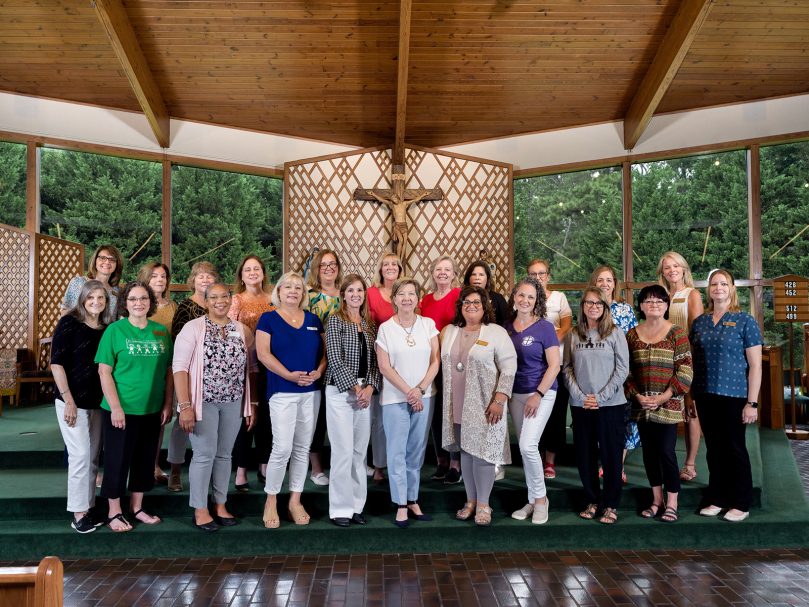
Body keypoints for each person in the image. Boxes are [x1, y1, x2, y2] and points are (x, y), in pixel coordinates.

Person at [173, 282, 258, 532]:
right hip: (203, 402)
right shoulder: (193, 328)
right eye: (214, 297)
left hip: (232, 401)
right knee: (204, 453)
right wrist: (185, 406)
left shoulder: (241, 330)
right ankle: (200, 508)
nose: (220, 301)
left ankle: (220, 504)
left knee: (225, 454)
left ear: (231, 299)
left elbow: (252, 368)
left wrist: (251, 403)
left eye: (224, 296)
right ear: (206, 301)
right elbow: (179, 368)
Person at [95, 281, 173, 532]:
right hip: (121, 410)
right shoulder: (115, 331)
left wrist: (167, 403)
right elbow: (104, 372)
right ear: (124, 304)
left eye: (143, 298)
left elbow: (169, 371)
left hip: (151, 409)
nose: (138, 303)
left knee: (144, 460)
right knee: (117, 461)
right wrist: (116, 407)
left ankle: (137, 508)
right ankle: (114, 512)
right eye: (133, 299)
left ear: (150, 302)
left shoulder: (161, 332)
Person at [690, 269, 762, 522]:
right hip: (705, 393)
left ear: (732, 288)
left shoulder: (745, 321)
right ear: (708, 289)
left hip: (734, 395)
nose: (718, 288)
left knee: (735, 449)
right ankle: (717, 498)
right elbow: (693, 362)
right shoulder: (699, 323)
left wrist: (752, 403)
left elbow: (755, 366)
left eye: (724, 283)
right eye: (714, 284)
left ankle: (741, 502)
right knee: (714, 450)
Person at [441, 286, 517, 526]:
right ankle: (470, 500)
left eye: (476, 302)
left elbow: (509, 367)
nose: (471, 305)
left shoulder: (495, 332)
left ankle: (484, 503)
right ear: (460, 306)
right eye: (466, 301)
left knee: (483, 454)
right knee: (466, 451)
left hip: (486, 404)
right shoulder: (450, 331)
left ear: (485, 307)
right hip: (457, 403)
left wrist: (499, 399)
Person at [257, 272, 326, 528]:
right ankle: (271, 499)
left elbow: (324, 355)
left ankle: (295, 500)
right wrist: (288, 375)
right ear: (279, 291)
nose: (293, 291)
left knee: (302, 448)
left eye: (298, 287)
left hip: (311, 392)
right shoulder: (268, 319)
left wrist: (319, 371)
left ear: (303, 294)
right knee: (282, 447)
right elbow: (263, 355)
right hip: (282, 391)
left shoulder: (313, 320)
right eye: (288, 287)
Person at [625, 285, 693, 523]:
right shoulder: (632, 335)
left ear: (666, 305)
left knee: (666, 453)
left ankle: (672, 503)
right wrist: (637, 396)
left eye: (659, 301)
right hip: (642, 407)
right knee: (649, 455)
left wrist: (664, 397)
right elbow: (626, 372)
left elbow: (685, 370)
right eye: (648, 301)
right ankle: (657, 501)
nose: (654, 304)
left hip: (668, 406)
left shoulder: (677, 334)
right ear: (641, 306)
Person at [376, 277, 440, 528]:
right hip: (395, 398)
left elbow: (435, 360)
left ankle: (413, 499)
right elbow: (384, 366)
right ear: (394, 299)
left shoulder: (428, 324)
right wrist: (409, 392)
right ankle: (400, 503)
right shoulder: (385, 328)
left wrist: (420, 389)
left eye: (411, 294)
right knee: (397, 452)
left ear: (417, 298)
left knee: (416, 451)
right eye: (401, 294)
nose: (406, 298)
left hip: (425, 396)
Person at [564, 288, 629, 525]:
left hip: (610, 404)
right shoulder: (573, 334)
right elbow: (567, 368)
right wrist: (580, 396)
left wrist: (600, 397)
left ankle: (611, 504)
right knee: (585, 455)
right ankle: (592, 500)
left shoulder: (615, 333)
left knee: (611, 456)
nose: (593, 307)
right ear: (582, 306)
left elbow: (622, 369)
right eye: (589, 303)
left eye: (598, 303)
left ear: (605, 307)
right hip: (581, 405)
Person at [51, 280, 110, 533]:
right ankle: (78, 513)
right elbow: (57, 364)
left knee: (94, 457)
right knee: (80, 456)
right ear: (83, 299)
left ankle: (89, 507)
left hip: (97, 402)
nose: (96, 302)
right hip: (71, 401)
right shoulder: (69, 323)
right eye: (91, 297)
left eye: (101, 298)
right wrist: (69, 401)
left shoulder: (107, 328)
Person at [324, 275, 382, 527]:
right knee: (343, 451)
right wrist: (356, 388)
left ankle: (357, 506)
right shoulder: (335, 320)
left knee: (359, 452)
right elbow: (335, 359)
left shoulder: (370, 325)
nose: (356, 294)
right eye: (351, 290)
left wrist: (370, 388)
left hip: (363, 393)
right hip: (340, 392)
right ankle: (340, 509)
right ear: (343, 294)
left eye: (360, 290)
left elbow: (376, 363)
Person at [504, 278, 560, 525]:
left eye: (530, 297)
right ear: (514, 296)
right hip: (515, 394)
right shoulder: (506, 327)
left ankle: (541, 500)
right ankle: (531, 498)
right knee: (529, 450)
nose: (525, 300)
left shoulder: (545, 328)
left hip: (542, 392)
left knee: (527, 445)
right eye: (521, 295)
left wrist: (538, 394)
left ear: (537, 301)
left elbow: (555, 365)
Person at [166, 261, 219, 492]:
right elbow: (178, 345)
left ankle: (209, 472)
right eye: (200, 276)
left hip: (215, 377)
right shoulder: (185, 307)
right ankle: (175, 471)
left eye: (209, 276)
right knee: (183, 423)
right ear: (193, 280)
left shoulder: (218, 304)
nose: (205, 280)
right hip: (189, 373)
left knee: (210, 426)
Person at [228, 255, 275, 492]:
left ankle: (265, 464)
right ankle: (242, 469)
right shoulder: (236, 300)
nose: (253, 272)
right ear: (241, 274)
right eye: (248, 269)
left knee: (266, 417)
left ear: (264, 273)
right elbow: (227, 331)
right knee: (245, 417)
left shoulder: (273, 299)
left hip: (270, 365)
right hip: (243, 367)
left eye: (257, 268)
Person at [657, 251, 704, 483]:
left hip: (686, 358)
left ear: (684, 268)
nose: (672, 270)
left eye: (676, 266)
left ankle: (690, 463)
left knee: (689, 410)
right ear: (662, 272)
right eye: (667, 267)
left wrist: (688, 361)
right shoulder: (661, 295)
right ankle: (664, 461)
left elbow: (697, 332)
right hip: (663, 360)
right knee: (666, 409)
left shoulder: (692, 294)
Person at [590, 264, 638, 483]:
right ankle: (601, 462)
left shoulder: (625, 310)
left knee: (621, 421)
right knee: (597, 421)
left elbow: (633, 340)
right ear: (594, 283)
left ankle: (617, 466)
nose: (605, 284)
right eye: (600, 280)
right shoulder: (589, 308)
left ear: (615, 284)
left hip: (621, 374)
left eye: (609, 280)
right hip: (594, 375)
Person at [528, 258, 572, 479]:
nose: (538, 278)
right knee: (533, 412)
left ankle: (550, 461)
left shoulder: (559, 298)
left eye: (541, 274)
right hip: (533, 365)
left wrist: (550, 341)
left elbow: (566, 323)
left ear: (548, 276)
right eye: (533, 274)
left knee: (556, 412)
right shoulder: (525, 298)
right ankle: (534, 454)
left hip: (556, 363)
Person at [420, 255, 462, 484]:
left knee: (451, 410)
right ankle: (441, 461)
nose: (443, 273)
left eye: (447, 269)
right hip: (429, 361)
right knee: (436, 412)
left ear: (454, 274)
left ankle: (455, 463)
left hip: (453, 360)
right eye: (438, 269)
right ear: (433, 273)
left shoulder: (459, 296)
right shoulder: (425, 300)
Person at [137, 262, 177, 485]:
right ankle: (137, 464)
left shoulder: (172, 307)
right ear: (145, 278)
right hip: (139, 368)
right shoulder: (137, 304)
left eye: (163, 276)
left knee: (159, 421)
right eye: (154, 276)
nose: (160, 280)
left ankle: (153, 464)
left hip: (163, 368)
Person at [366, 251, 404, 483]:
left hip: (404, 362)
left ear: (400, 269)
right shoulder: (371, 293)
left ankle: (400, 464)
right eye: (386, 264)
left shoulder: (406, 292)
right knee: (379, 418)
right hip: (379, 360)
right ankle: (379, 464)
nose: (390, 267)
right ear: (380, 269)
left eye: (394, 264)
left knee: (399, 416)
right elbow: (369, 326)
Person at [306, 248, 342, 486]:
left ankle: (350, 460)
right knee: (317, 417)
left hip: (344, 360)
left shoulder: (347, 292)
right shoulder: (308, 295)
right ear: (316, 268)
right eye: (323, 265)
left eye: (333, 264)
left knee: (343, 414)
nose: (329, 268)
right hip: (316, 359)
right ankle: (316, 468)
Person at [61, 244, 123, 316]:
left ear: (117, 264)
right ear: (95, 261)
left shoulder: (117, 292)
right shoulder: (78, 283)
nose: (107, 262)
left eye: (112, 259)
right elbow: (65, 311)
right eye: (102, 258)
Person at [463, 260, 509, 325]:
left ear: (487, 278)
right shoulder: (462, 298)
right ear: (468, 278)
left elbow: (507, 323)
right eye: (473, 274)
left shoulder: (498, 299)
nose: (477, 278)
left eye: (481, 275)